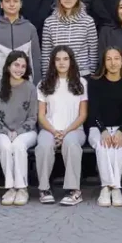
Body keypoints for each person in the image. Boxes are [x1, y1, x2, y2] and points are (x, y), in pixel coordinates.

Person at [36, 46, 88, 206]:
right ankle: (44, 189)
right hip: (49, 129)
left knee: (71, 143)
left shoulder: (81, 83)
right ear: (52, 62)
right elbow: (41, 115)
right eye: (57, 59)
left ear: (71, 61)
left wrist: (65, 132)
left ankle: (74, 190)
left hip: (74, 129)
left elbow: (83, 115)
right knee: (44, 145)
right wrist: (54, 131)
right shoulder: (43, 84)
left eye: (65, 59)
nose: (62, 62)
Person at [0, 51, 38, 206]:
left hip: (27, 131)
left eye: (23, 66)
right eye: (16, 65)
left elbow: (33, 117)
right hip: (2, 130)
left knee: (18, 146)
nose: (19, 69)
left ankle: (22, 188)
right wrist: (6, 132)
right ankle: (10, 187)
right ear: (8, 66)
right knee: (5, 146)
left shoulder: (30, 88)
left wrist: (18, 132)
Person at [87, 47, 122, 207]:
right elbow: (93, 110)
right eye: (109, 59)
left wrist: (121, 131)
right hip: (98, 127)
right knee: (103, 146)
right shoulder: (95, 83)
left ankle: (115, 189)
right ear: (104, 62)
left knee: (119, 147)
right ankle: (107, 187)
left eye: (116, 58)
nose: (113, 63)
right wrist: (103, 130)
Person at [0, 0, 41, 86]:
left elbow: (35, 60)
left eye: (15, 1)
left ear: (21, 4)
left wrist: (36, 85)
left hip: (24, 83)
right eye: (7, 1)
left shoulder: (30, 29)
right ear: (1, 4)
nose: (12, 4)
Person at [41, 0, 98, 79]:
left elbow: (93, 52)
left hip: (82, 75)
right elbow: (46, 54)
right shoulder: (49, 22)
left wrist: (91, 75)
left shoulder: (88, 21)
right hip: (57, 75)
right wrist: (46, 78)